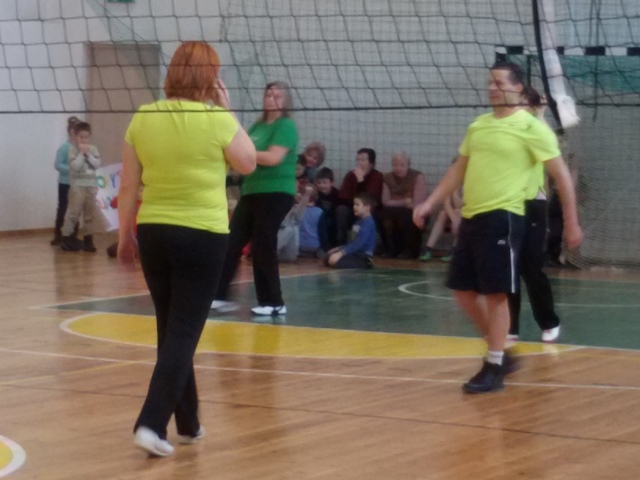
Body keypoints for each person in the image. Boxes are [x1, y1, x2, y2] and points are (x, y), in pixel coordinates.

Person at [117, 41, 256, 457]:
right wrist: (228, 110)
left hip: (154, 233)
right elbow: (248, 162)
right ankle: (150, 423)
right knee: (182, 331)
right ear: (211, 78)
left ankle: (189, 422)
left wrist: (124, 236)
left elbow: (128, 185)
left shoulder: (144, 116)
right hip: (202, 236)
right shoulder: (216, 119)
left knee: (172, 328)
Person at [413, 62, 583, 394]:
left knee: (496, 293)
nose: (492, 87)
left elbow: (562, 177)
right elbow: (458, 170)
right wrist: (430, 202)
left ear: (518, 88)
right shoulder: (479, 126)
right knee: (462, 289)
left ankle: (494, 365)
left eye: (499, 82)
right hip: (472, 217)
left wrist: (572, 223)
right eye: (489, 82)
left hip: (504, 216)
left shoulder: (532, 128)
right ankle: (501, 349)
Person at [211, 81, 298, 317]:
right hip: (251, 191)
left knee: (263, 244)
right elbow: (239, 144)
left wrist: (246, 154)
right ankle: (219, 296)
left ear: (286, 101)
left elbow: (273, 158)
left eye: (277, 95)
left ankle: (274, 302)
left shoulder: (286, 126)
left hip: (277, 192)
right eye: (268, 94)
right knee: (231, 242)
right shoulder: (257, 126)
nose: (272, 98)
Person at [507, 86, 563, 343]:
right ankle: (510, 327)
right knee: (508, 268)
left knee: (531, 268)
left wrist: (541, 113)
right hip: (508, 202)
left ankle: (549, 322)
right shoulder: (504, 127)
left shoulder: (536, 129)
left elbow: (551, 146)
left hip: (532, 204)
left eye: (522, 101)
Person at [60, 121, 101, 252]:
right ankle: (66, 238)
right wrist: (82, 154)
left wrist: (88, 154)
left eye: (86, 137)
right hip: (77, 187)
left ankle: (88, 240)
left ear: (90, 137)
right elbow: (75, 167)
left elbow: (97, 164)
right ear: (75, 136)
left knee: (89, 214)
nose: (83, 140)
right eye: (81, 137)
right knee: (73, 213)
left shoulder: (93, 149)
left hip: (91, 186)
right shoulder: (72, 149)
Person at [380, 151, 427, 258]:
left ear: (408, 165)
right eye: (395, 165)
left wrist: (395, 202)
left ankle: (411, 251)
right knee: (384, 215)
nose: (398, 168)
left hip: (415, 212)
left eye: (402, 165)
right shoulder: (387, 178)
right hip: (395, 211)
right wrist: (405, 201)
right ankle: (390, 249)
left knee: (406, 215)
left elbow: (417, 203)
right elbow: (385, 201)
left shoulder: (417, 177)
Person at [335, 148, 383, 246]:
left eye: (363, 160)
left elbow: (369, 200)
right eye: (358, 160)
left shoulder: (377, 176)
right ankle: (341, 244)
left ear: (371, 164)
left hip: (369, 211)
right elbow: (343, 197)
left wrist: (361, 181)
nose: (359, 163)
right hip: (353, 208)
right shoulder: (351, 175)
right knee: (341, 210)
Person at [325, 192, 376, 269]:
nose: (354, 207)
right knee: (328, 257)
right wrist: (338, 248)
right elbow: (352, 241)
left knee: (334, 261)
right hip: (354, 253)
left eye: (357, 205)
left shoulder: (368, 222)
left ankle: (367, 263)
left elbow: (359, 243)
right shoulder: (358, 221)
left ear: (367, 207)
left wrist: (340, 253)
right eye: (354, 204)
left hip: (363, 256)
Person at [51, 116, 80, 246]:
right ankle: (58, 235)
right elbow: (58, 165)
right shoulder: (64, 147)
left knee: (75, 209)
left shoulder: (81, 148)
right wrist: (71, 169)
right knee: (63, 208)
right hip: (65, 183)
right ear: (71, 132)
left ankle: (73, 235)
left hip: (77, 184)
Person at [277, 184, 323, 262]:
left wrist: (304, 197)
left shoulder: (295, 210)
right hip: (313, 247)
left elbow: (299, 210)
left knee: (290, 226)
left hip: (297, 247)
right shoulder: (320, 211)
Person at [420, 186, 462, 262]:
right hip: (455, 215)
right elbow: (446, 204)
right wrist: (453, 219)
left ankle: (454, 251)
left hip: (467, 214)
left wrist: (454, 192)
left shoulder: (470, 185)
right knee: (442, 214)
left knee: (459, 215)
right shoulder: (451, 183)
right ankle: (428, 248)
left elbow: (460, 205)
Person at [315, 167, 340, 251]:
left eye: (325, 183)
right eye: (319, 183)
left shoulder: (337, 194)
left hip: (332, 220)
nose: (322, 185)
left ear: (331, 183)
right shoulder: (316, 195)